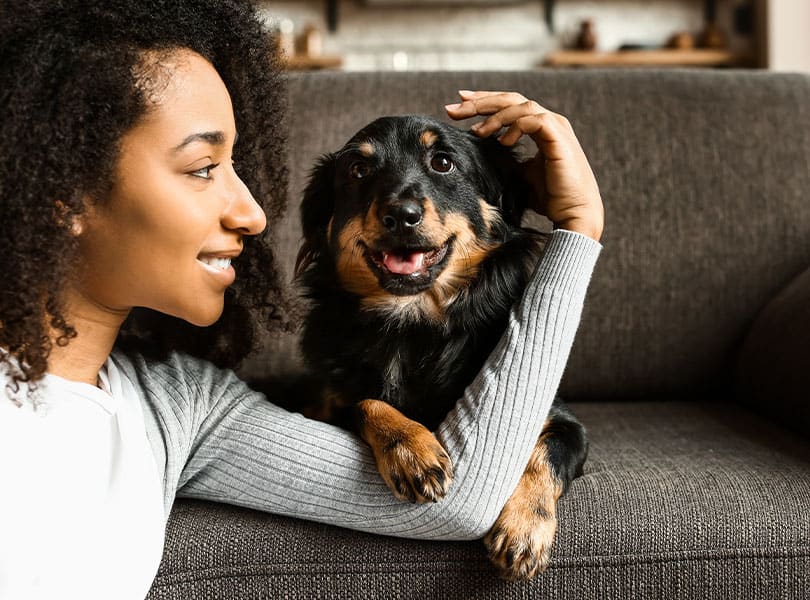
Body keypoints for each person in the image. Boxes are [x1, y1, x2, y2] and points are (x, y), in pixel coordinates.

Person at [0, 0, 603, 598]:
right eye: (204, 167)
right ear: (66, 191)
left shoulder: (181, 408)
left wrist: (576, 233)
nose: (255, 215)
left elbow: (459, 500)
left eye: (236, 166)